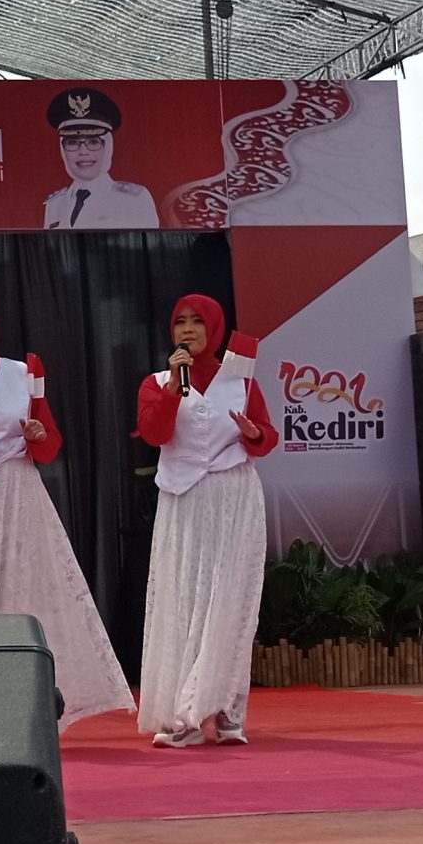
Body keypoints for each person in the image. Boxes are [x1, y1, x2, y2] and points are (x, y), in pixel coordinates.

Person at [0, 290, 134, 727]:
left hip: (15, 497)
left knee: (19, 595)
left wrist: (36, 435)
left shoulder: (25, 371)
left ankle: (21, 709)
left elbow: (50, 445)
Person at [133, 294, 276, 748]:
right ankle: (185, 716)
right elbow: (154, 433)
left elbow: (266, 435)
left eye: (197, 322)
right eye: (181, 322)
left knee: (231, 603)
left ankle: (228, 712)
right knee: (185, 600)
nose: (188, 330)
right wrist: (175, 388)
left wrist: (254, 434)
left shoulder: (242, 380)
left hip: (233, 498)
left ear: (214, 328)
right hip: (185, 500)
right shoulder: (157, 381)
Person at [40, 87, 158, 229]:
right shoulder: (55, 203)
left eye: (93, 142)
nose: (83, 152)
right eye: (72, 143)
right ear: (62, 149)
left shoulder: (133, 199)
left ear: (108, 147)